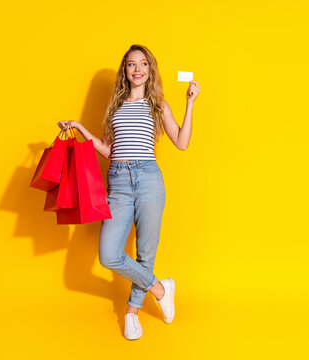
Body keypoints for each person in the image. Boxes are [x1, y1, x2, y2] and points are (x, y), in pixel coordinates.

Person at [57, 44, 200, 340]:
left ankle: (132, 314)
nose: (138, 69)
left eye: (143, 64)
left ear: (150, 70)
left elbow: (182, 142)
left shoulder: (158, 105)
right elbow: (109, 150)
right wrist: (80, 128)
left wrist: (190, 104)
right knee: (109, 254)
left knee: (145, 252)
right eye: (132, 64)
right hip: (119, 182)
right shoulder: (116, 106)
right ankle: (160, 288)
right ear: (125, 70)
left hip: (149, 179)